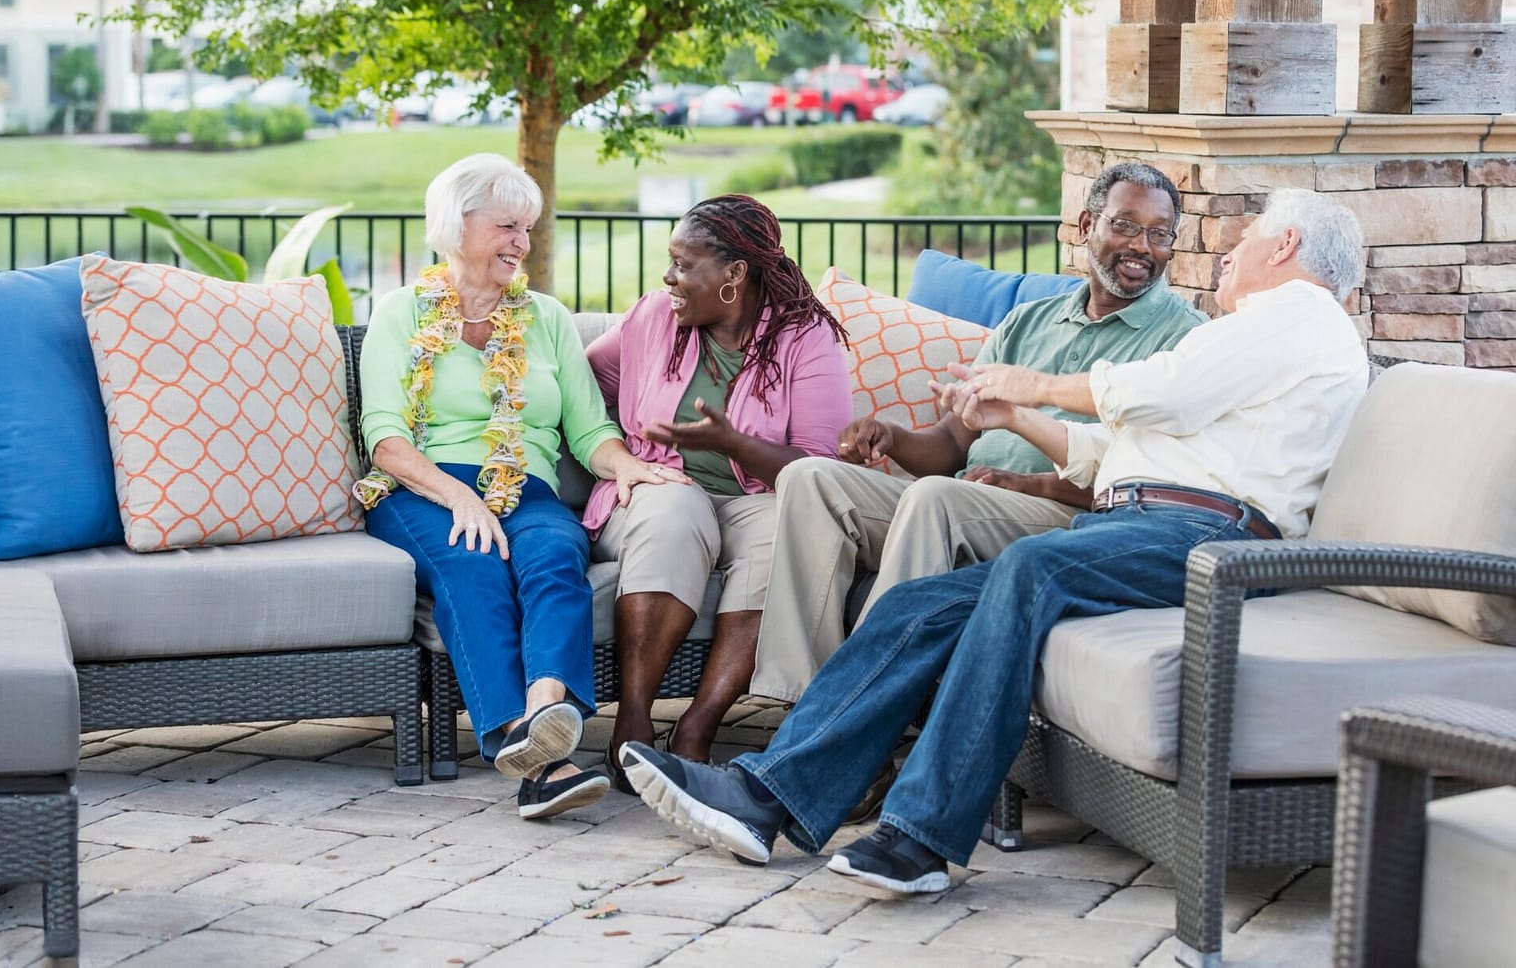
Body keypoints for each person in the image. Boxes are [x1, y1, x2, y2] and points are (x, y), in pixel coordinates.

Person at [620, 188, 1369, 894]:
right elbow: (1115, 454)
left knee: (1030, 569)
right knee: (921, 605)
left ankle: (921, 839)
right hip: (1146, 521)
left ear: (1288, 243)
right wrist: (1013, 415)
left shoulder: (1299, 312)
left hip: (1214, 539)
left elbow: (1160, 392)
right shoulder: (1263, 347)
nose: (1227, 255)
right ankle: (767, 794)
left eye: (1244, 239)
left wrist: (1033, 385)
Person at [751, 162, 1207, 708]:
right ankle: (798, 705)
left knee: (936, 497)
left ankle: (863, 710)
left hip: (1070, 518)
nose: (1142, 247)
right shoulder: (1028, 323)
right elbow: (950, 446)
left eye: (1160, 234)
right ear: (1086, 225)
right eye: (1126, 226)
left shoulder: (1186, 341)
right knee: (812, 480)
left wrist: (1034, 485)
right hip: (966, 496)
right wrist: (891, 437)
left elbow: (1157, 480)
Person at [356, 153, 687, 819]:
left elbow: (589, 429)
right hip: (424, 486)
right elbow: (386, 438)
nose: (522, 243)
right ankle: (538, 755)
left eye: (529, 229)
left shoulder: (544, 317)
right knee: (473, 564)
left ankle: (544, 713)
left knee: (555, 557)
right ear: (457, 224)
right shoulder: (401, 314)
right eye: (508, 225)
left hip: (526, 485)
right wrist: (459, 497)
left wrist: (624, 464)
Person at [584, 194, 852, 781]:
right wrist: (617, 449)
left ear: (734, 274)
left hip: (756, 497)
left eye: (685, 264)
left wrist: (732, 443)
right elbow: (583, 387)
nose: (669, 276)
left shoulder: (804, 339)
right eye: (670, 261)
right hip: (658, 485)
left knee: (789, 529)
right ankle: (633, 720)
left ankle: (698, 726)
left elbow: (816, 471)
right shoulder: (654, 316)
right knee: (675, 510)